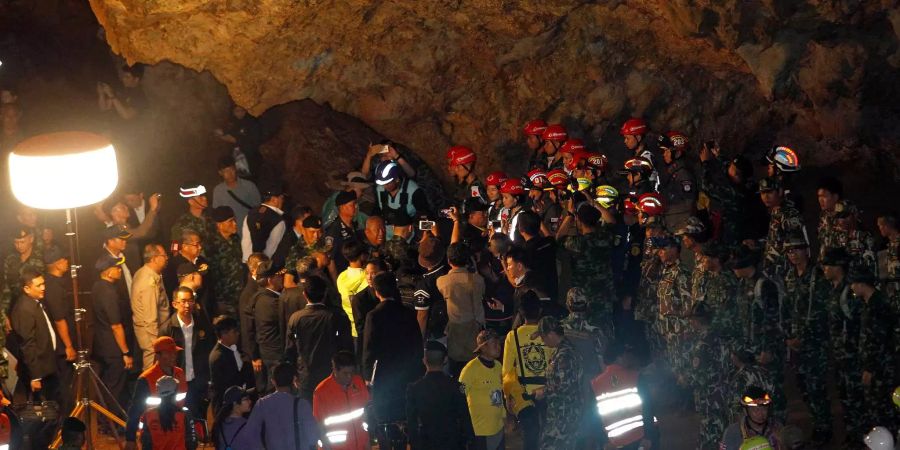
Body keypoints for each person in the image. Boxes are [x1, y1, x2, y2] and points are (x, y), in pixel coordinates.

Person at [362, 272, 424, 448]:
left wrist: (367, 375)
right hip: (407, 371)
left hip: (385, 373)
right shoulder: (407, 312)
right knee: (406, 414)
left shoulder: (374, 316)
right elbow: (417, 344)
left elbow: (369, 349)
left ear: (377, 292)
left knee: (386, 417)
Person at [781, 235, 831, 442]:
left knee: (816, 385)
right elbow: (785, 308)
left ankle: (824, 427)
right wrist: (788, 337)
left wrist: (804, 337)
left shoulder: (817, 275)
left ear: (805, 250)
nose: (793, 254)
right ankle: (818, 423)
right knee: (803, 386)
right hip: (795, 341)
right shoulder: (790, 276)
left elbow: (822, 310)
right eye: (789, 251)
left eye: (796, 250)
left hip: (814, 340)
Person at [286, 276, 354, 399]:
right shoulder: (337, 316)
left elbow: (290, 350)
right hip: (332, 374)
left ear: (304, 295)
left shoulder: (295, 318)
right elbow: (347, 346)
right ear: (325, 293)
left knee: (309, 411)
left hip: (305, 375)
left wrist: (294, 374)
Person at [848, 268, 897, 435]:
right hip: (878, 367)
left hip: (882, 369)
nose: (852, 287)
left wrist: (869, 368)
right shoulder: (869, 304)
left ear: (862, 284)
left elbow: (879, 341)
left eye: (853, 283)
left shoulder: (878, 306)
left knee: (883, 408)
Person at [502, 292, 552, 450]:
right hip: (547, 392)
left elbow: (507, 371)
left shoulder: (513, 336)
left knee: (530, 437)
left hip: (524, 397)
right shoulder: (549, 334)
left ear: (521, 313)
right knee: (548, 435)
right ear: (540, 311)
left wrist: (507, 397)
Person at [557, 200, 617, 331]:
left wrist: (570, 214)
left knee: (585, 331)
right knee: (604, 329)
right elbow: (611, 221)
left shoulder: (577, 243)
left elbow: (559, 237)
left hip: (584, 296)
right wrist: (594, 203)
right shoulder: (605, 237)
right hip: (604, 292)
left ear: (579, 221)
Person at [158, 286, 216, 419]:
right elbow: (162, 359)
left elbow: (209, 350)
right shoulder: (167, 329)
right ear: (175, 304)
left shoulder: (202, 324)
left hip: (199, 379)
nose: (187, 305)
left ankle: (201, 438)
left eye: (190, 301)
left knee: (200, 416)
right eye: (183, 301)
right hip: (178, 380)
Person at [406, 340, 474, 450]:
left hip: (426, 443)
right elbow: (465, 417)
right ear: (445, 360)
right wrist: (469, 441)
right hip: (453, 442)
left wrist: (415, 444)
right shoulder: (456, 386)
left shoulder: (414, 389)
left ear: (424, 360)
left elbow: (411, 423)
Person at [125, 336, 189, 449]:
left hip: (178, 432)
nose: (173, 356)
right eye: (168, 353)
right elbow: (135, 410)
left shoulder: (180, 373)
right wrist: (130, 439)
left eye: (174, 353)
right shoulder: (146, 379)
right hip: (155, 433)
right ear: (157, 355)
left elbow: (186, 401)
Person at [592, 341, 658, 450]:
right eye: (627, 354)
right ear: (619, 357)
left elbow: (593, 418)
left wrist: (604, 442)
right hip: (640, 439)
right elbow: (648, 408)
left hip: (614, 443)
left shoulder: (596, 384)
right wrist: (649, 436)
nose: (630, 357)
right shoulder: (636, 377)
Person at [534, 315, 586, 450]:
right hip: (560, 413)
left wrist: (543, 391)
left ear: (551, 334)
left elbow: (565, 385)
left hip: (564, 415)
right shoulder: (561, 350)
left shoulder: (565, 354)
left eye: (543, 337)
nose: (542, 340)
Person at [10, 268, 60, 405]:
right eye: (38, 286)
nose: (43, 288)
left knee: (54, 409)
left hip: (48, 367)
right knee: (45, 414)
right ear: (26, 289)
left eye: (43, 284)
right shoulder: (24, 309)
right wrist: (36, 377)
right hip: (40, 372)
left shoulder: (35, 303)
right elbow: (27, 345)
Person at [244, 363, 320, 450]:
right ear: (294, 379)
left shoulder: (262, 404)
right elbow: (312, 436)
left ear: (273, 381)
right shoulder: (302, 404)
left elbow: (250, 434)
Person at [437, 243, 486, 375]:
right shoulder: (478, 280)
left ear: (448, 260)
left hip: (455, 333)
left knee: (457, 372)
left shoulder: (442, 281)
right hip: (474, 333)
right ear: (468, 259)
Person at [312, 351, 370, 450]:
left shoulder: (358, 382)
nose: (349, 377)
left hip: (361, 446)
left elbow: (366, 414)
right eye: (345, 373)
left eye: (352, 372)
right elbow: (318, 426)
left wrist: (367, 444)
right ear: (335, 370)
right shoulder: (321, 392)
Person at [42, 246, 76, 412]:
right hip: (60, 348)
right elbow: (59, 319)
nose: (67, 262)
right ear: (57, 263)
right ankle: (64, 424)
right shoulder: (53, 287)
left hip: (60, 345)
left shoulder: (55, 283)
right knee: (63, 387)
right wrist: (68, 345)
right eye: (64, 259)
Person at [459, 330, 505, 450]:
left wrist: (505, 416)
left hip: (498, 427)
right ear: (483, 347)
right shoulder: (470, 369)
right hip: (479, 431)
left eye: (499, 343)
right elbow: (459, 395)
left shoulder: (498, 366)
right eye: (494, 344)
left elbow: (499, 392)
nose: (499, 347)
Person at [247, 261, 287, 393]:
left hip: (267, 352)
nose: (282, 278)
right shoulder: (270, 302)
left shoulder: (259, 297)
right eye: (278, 276)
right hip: (274, 353)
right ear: (270, 279)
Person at [131, 243, 171, 369]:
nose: (167, 258)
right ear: (154, 258)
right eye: (164, 255)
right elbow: (150, 315)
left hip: (154, 330)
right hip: (152, 333)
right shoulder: (149, 281)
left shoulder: (144, 272)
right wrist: (156, 342)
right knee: (152, 370)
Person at [758, 176, 806, 279]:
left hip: (786, 271)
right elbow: (776, 239)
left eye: (769, 192)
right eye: (763, 193)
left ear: (779, 192)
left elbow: (795, 246)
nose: (765, 197)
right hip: (774, 269)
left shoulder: (788, 213)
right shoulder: (775, 211)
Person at [208, 316, 254, 416]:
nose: (238, 333)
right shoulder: (218, 357)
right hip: (229, 410)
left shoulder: (233, 348)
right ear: (224, 334)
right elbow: (230, 385)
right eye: (234, 331)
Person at [139, 375, 198, 449]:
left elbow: (145, 441)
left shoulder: (147, 415)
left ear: (158, 392)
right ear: (176, 392)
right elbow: (192, 442)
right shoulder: (185, 414)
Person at [207, 206, 245, 317]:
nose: (234, 224)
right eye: (230, 221)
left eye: (234, 220)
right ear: (219, 225)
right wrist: (219, 301)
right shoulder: (211, 246)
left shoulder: (235, 239)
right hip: (225, 299)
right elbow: (212, 276)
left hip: (239, 294)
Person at [239, 253, 269, 392]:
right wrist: (254, 355)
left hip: (263, 348)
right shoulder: (248, 293)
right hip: (256, 352)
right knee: (260, 388)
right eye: (263, 266)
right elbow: (247, 327)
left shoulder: (261, 288)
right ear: (253, 270)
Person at [720, 386, 783, 450]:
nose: (760, 413)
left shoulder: (777, 428)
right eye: (755, 410)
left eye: (764, 409)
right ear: (746, 411)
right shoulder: (733, 432)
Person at [211, 155, 261, 234]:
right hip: (231, 233)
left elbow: (259, 209)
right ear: (220, 173)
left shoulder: (249, 186)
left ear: (235, 169)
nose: (230, 174)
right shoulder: (218, 191)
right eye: (226, 171)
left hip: (250, 231)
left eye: (232, 170)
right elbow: (218, 215)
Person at [413, 236, 450, 342]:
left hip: (435, 333)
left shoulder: (425, 282)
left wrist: (419, 342)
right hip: (453, 325)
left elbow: (422, 315)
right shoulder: (450, 271)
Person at [373, 160, 430, 227]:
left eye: (387, 183)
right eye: (382, 184)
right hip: (386, 232)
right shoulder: (379, 189)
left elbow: (425, 214)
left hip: (408, 232)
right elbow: (377, 209)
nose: (384, 186)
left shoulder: (413, 190)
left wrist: (427, 231)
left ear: (397, 179)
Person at [241, 181, 287, 263]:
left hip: (248, 264)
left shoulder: (250, 214)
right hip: (263, 266)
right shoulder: (278, 221)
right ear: (274, 200)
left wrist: (250, 264)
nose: (283, 201)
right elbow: (270, 249)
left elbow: (246, 241)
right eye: (282, 198)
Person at [518, 211, 558, 301]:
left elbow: (519, 281)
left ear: (521, 230)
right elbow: (549, 236)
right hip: (552, 291)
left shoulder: (525, 252)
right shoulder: (548, 242)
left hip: (537, 298)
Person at [214, 105, 263, 178]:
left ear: (246, 111)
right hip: (236, 157)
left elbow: (254, 141)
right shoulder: (233, 122)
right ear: (233, 112)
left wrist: (236, 140)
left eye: (242, 111)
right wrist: (221, 133)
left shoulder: (252, 122)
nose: (240, 113)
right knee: (238, 177)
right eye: (237, 111)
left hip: (250, 157)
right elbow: (227, 131)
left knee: (250, 178)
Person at [326, 190, 361, 276]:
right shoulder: (334, 230)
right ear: (342, 208)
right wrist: (336, 284)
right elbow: (331, 260)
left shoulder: (354, 224)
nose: (356, 206)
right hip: (345, 276)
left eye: (356, 204)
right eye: (352, 204)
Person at [212, 386, 255, 450]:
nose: (250, 401)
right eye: (246, 399)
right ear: (235, 404)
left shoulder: (219, 423)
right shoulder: (247, 425)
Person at [171, 182, 213, 246]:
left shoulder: (211, 217)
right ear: (191, 202)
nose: (205, 198)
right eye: (200, 197)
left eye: (204, 195)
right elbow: (175, 249)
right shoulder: (180, 224)